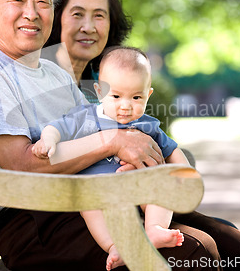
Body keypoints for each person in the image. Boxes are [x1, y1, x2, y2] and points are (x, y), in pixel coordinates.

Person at [0, 0, 221, 271]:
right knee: (194, 252)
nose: (32, 13)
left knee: (232, 244)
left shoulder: (53, 72)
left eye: (42, 2)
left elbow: (96, 125)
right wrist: (112, 143)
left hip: (88, 197)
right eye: (18, 1)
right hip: (38, 224)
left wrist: (131, 163)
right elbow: (22, 165)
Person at [45, 0, 240, 271]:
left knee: (239, 246)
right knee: (201, 249)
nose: (88, 26)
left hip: (140, 196)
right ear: (57, 19)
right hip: (85, 206)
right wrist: (114, 147)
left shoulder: (115, 73)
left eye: (99, 16)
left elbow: (166, 153)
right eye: (77, 14)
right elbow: (49, 153)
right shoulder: (44, 80)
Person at [34, 46, 189, 270]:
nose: (125, 106)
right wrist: (48, 140)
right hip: (98, 192)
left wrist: (184, 174)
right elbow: (57, 127)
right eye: (115, 96)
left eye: (136, 97)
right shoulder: (85, 118)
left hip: (138, 188)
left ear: (148, 94)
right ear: (99, 91)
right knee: (88, 206)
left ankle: (153, 229)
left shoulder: (147, 124)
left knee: (161, 186)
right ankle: (113, 246)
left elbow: (172, 150)